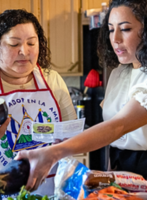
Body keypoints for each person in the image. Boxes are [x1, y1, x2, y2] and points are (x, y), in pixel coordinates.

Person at [15, 0, 147, 192]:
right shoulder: (120, 72)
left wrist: (54, 152)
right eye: (110, 30)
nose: (115, 38)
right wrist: (68, 141)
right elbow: (113, 133)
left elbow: (118, 126)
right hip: (121, 172)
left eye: (125, 29)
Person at [0, 9, 76, 199]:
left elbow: (73, 136)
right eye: (14, 44)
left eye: (31, 43)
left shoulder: (52, 80)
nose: (24, 51)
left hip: (50, 191)